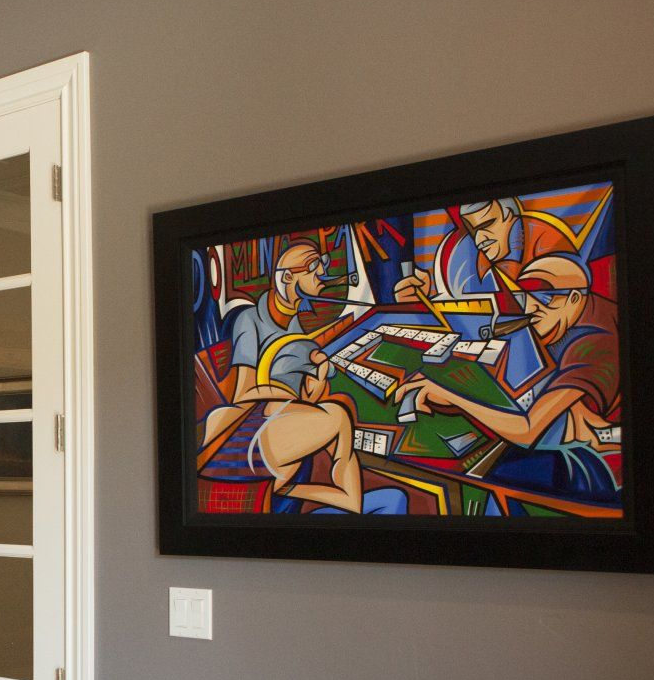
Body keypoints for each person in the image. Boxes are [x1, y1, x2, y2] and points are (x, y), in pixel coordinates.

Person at [397, 253, 619, 500]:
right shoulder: (560, 317)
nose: (531, 307)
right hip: (563, 429)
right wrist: (428, 300)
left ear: (575, 298)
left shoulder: (595, 344)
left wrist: (453, 397)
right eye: (523, 295)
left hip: (592, 467)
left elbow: (528, 430)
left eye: (545, 296)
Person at [200, 338, 406, 515]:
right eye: (323, 380)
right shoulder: (331, 416)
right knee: (393, 499)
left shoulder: (221, 416)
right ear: (309, 382)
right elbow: (352, 501)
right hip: (277, 524)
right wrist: (289, 489)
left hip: (229, 532)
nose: (325, 389)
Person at [393, 197, 576, 301]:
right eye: (473, 231)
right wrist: (423, 302)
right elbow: (469, 316)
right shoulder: (472, 261)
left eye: (487, 225)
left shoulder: (549, 246)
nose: (479, 240)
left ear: (509, 216)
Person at [226, 241, 327, 403]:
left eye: (322, 261)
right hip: (261, 415)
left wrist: (317, 385)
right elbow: (243, 395)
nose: (322, 271)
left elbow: (300, 387)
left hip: (292, 411)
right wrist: (293, 397)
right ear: (288, 277)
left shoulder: (294, 322)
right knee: (338, 416)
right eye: (313, 264)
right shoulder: (248, 319)